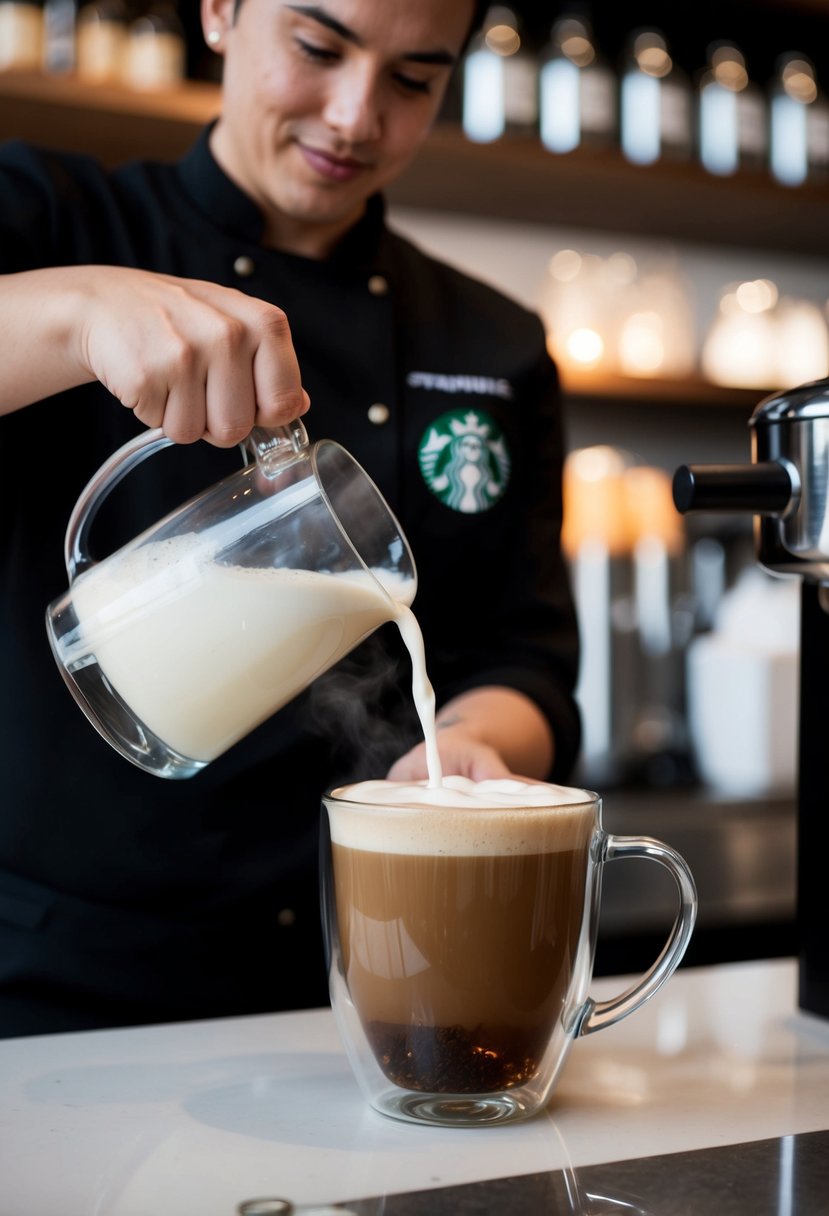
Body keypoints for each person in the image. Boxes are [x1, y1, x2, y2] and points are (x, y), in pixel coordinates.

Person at [0, 0, 582, 1038]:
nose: (356, 115)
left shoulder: (493, 340)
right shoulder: (58, 218)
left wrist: (469, 746)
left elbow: (520, 651)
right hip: (55, 965)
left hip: (366, 965)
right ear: (219, 11)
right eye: (318, 47)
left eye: (414, 79)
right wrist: (74, 310)